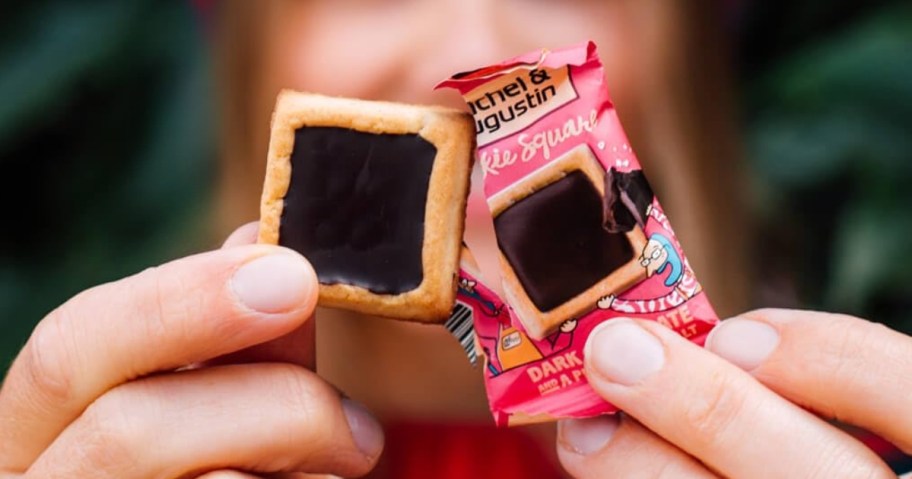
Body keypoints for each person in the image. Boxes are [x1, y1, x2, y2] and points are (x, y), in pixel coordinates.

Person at [1, 1, 909, 477]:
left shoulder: (859, 439)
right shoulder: (100, 444)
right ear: (251, 63)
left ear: (681, 56)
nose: (466, 57)